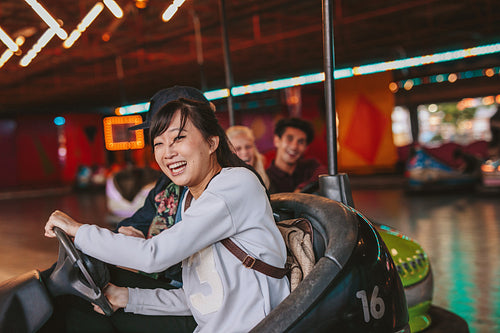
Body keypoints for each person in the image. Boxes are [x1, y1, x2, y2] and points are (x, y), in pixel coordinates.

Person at [43, 89, 290, 332]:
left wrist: (79, 231)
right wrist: (128, 297)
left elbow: (153, 255)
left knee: (74, 310)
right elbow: (198, 298)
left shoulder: (236, 185)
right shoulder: (190, 201)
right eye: (159, 143)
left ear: (212, 141)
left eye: (178, 138)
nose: (168, 152)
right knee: (79, 301)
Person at [266, 117, 327, 194]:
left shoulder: (311, 167)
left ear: (306, 148)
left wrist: (301, 188)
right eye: (289, 139)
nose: (294, 146)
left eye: (301, 142)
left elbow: (324, 175)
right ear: (277, 140)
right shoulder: (266, 177)